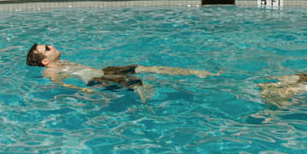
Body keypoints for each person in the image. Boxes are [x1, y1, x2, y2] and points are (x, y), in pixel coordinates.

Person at [26, 43, 213, 103]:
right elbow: (60, 85)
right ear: (45, 61)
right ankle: (146, 104)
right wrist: (85, 92)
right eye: (47, 48)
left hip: (104, 72)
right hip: (96, 79)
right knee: (137, 83)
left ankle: (195, 72)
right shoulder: (49, 72)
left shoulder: (60, 62)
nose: (51, 45)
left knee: (141, 68)